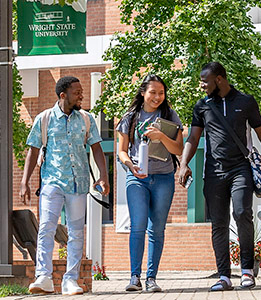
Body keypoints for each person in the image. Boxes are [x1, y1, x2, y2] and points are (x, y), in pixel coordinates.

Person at [176, 62, 261, 292]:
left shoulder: (246, 102)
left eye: (205, 80)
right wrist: (184, 163)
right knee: (219, 223)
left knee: (241, 213)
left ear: (219, 79)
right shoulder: (202, 106)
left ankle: (247, 271)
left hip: (241, 169)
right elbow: (193, 138)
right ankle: (224, 276)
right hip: (214, 171)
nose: (202, 85)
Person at [20, 76, 111, 295]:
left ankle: (70, 280)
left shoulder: (87, 119)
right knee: (46, 228)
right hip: (52, 182)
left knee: (76, 232)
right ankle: (43, 277)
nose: (81, 95)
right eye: (77, 92)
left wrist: (103, 177)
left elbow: (97, 148)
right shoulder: (45, 118)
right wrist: (24, 182)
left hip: (78, 184)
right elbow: (33, 151)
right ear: (63, 95)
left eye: (82, 92)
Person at [114, 74, 184, 293]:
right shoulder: (130, 117)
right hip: (137, 178)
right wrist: (130, 165)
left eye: (161, 93)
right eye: (153, 92)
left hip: (164, 177)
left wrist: (161, 136)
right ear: (143, 93)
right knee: (138, 225)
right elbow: (121, 151)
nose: (157, 97)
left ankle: (151, 278)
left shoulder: (170, 115)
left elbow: (179, 150)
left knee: (157, 229)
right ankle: (135, 277)